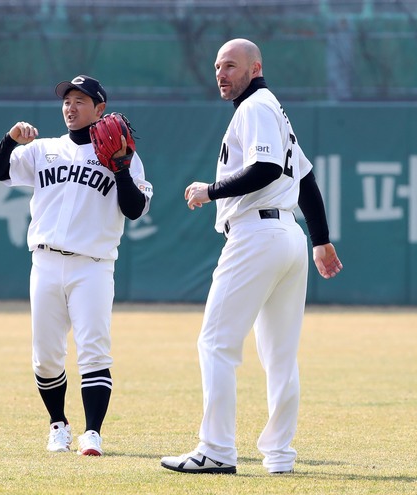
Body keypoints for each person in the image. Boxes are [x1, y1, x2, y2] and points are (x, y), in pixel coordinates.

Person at [160, 39, 343, 475]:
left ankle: (216, 450)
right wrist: (319, 239)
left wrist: (210, 190)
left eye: (231, 65)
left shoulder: (256, 107)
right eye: (218, 66)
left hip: (257, 236)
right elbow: (308, 180)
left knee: (216, 343)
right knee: (279, 356)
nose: (221, 74)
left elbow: (267, 170)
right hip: (287, 237)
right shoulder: (273, 109)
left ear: (255, 67)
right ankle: (279, 456)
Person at [0, 75, 153, 456]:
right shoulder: (44, 149)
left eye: (80, 100)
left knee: (94, 350)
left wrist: (122, 168)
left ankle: (92, 433)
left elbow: (135, 209)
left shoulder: (123, 154)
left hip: (92, 267)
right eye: (67, 100)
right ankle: (58, 424)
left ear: (100, 109)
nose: (71, 107)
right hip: (44, 262)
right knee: (46, 355)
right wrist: (10, 139)